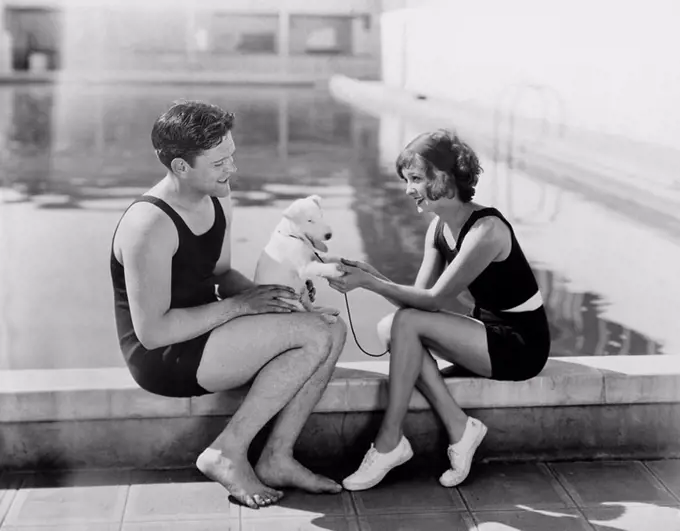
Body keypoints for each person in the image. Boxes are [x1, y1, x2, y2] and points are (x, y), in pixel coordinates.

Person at [110, 100, 347, 509]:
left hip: (209, 330)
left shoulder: (218, 196)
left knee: (330, 327)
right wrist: (244, 309)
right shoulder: (148, 225)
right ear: (181, 167)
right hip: (164, 356)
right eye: (219, 162)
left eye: (231, 156)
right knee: (312, 335)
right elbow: (152, 333)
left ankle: (277, 458)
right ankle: (227, 453)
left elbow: (220, 275)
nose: (231, 169)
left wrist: (281, 302)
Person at [328, 129, 550, 491]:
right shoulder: (438, 228)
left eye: (415, 179)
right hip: (486, 334)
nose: (408, 189)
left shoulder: (487, 230)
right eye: (407, 180)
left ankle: (389, 440)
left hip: (519, 345)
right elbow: (418, 298)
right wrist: (372, 275)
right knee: (391, 328)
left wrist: (371, 283)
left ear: (444, 178)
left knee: (404, 324)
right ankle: (459, 428)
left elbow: (433, 302)